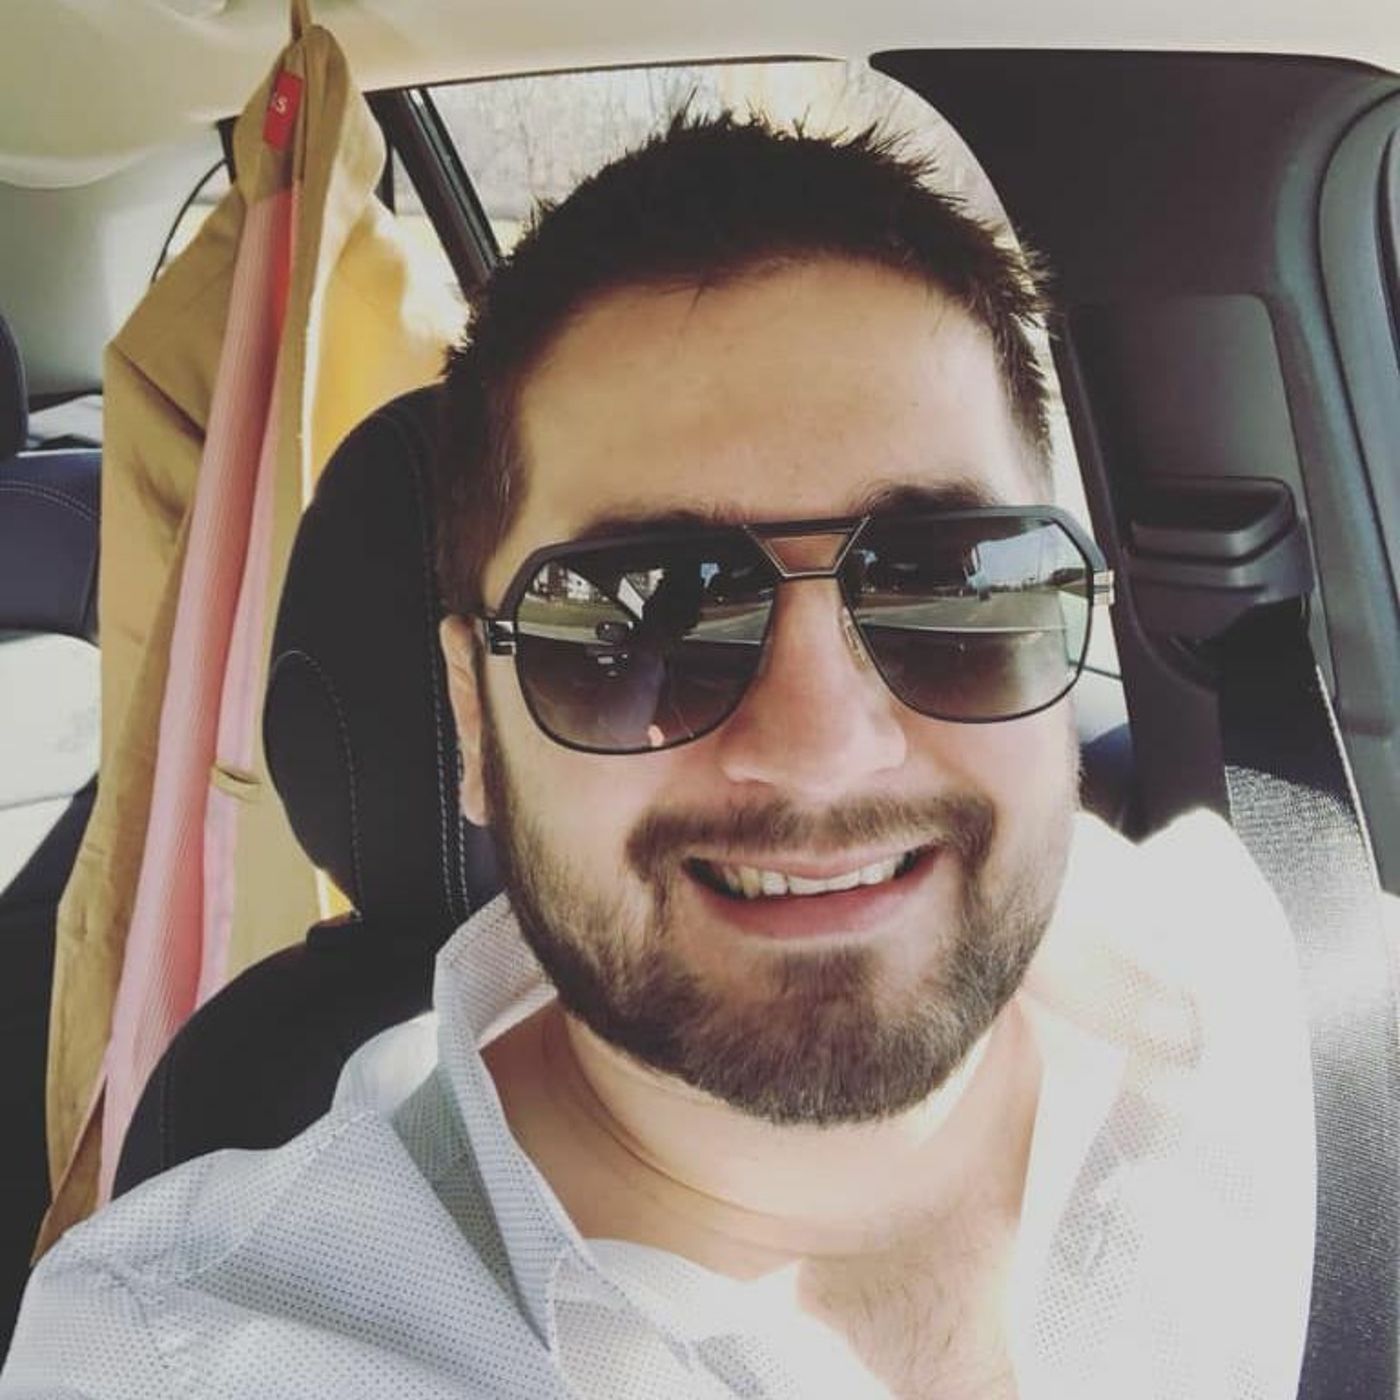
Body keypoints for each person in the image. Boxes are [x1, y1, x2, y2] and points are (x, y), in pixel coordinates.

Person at [2, 113, 1317, 1399]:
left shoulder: (1294, 1021)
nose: (822, 754)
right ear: (475, 720)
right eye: (639, 624)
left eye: (947, 586)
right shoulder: (182, 1355)